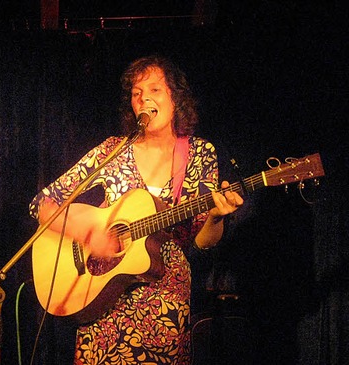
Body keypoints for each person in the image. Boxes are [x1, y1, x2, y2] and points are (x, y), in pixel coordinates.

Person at [29, 55, 244, 364]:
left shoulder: (199, 153)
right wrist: (88, 233)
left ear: (176, 97)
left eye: (155, 89)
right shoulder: (113, 150)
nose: (144, 98)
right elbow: (43, 204)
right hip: (102, 304)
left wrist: (216, 216)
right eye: (136, 92)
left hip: (164, 308)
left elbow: (202, 243)